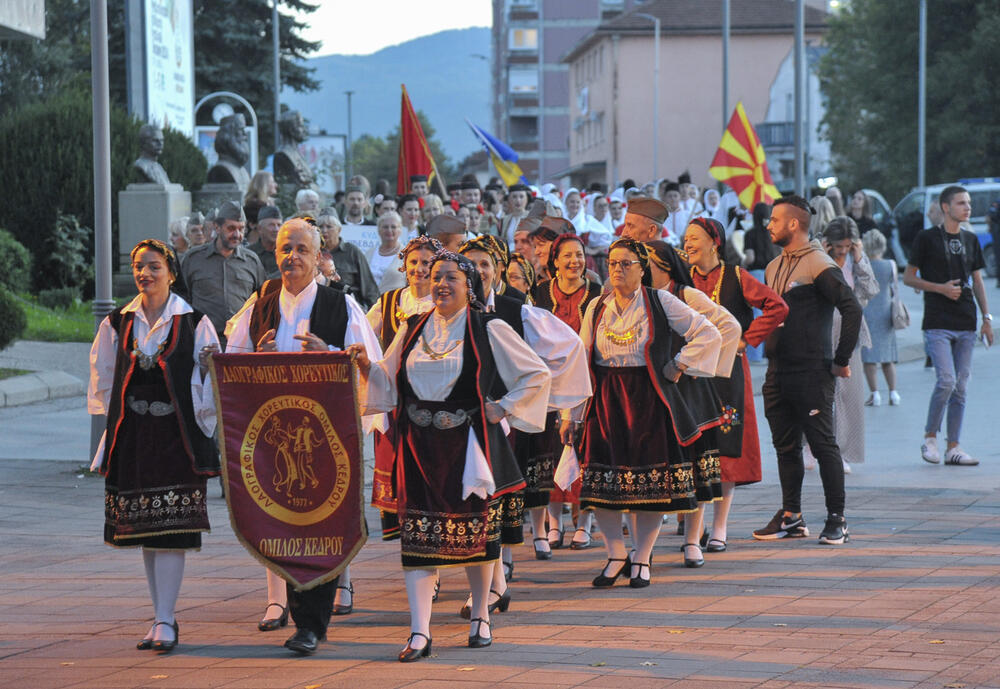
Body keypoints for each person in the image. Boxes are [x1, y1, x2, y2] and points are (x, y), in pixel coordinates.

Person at [353, 251, 552, 660]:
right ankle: (419, 631)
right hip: (418, 447)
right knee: (419, 538)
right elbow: (387, 381)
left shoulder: (488, 327)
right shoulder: (411, 327)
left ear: (469, 287)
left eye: (451, 278)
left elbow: (537, 374)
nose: (440, 282)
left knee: (474, 534)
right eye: (436, 275)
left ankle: (481, 614)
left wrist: (503, 406)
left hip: (469, 448)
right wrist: (363, 366)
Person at [225, 218, 383, 655]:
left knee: (324, 520)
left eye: (300, 249)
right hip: (274, 438)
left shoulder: (340, 306)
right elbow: (231, 359)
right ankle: (289, 608)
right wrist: (257, 357)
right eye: (283, 248)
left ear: (318, 257)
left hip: (324, 439)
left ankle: (311, 622)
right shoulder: (261, 304)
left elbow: (371, 366)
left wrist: (330, 356)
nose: (291, 256)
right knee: (280, 516)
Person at [88, 239, 220, 654]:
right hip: (134, 437)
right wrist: (108, 437)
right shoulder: (117, 322)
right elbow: (104, 380)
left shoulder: (195, 322)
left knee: (172, 530)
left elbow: (209, 384)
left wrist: (207, 376)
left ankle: (165, 618)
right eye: (138, 266)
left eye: (153, 266)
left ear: (172, 272)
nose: (144, 273)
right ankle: (161, 614)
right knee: (147, 529)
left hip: (175, 437)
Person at [574, 238, 725, 588]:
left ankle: (641, 557)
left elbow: (707, 332)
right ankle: (615, 554)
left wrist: (679, 364)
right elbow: (581, 357)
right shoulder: (596, 306)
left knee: (650, 487)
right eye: (612, 263)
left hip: (648, 399)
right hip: (606, 399)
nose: (617, 270)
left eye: (626, 263)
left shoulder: (660, 300)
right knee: (601, 485)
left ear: (642, 269)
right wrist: (573, 412)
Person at [753, 196, 862, 545]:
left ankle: (837, 519)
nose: (768, 225)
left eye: (774, 220)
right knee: (785, 447)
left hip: (812, 370)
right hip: (778, 370)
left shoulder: (819, 263)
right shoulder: (773, 267)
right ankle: (791, 516)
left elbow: (852, 309)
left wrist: (841, 360)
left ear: (793, 224)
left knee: (823, 443)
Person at [680, 217, 788, 553]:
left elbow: (777, 306)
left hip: (728, 371)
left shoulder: (736, 276)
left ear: (714, 241)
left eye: (694, 237)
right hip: (693, 373)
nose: (687, 244)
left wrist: (746, 340)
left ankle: (720, 526)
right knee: (696, 446)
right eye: (685, 238)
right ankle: (692, 526)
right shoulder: (683, 280)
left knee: (726, 446)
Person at [903, 185, 994, 466]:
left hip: (966, 320)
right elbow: (908, 277)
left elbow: (977, 280)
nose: (967, 208)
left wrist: (986, 318)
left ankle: (953, 446)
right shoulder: (926, 238)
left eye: (968, 203)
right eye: (961, 203)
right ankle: (930, 437)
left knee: (961, 386)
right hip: (937, 320)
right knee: (946, 380)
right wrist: (939, 288)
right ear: (945, 207)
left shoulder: (970, 239)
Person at [531, 233, 603, 549]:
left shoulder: (598, 294)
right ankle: (553, 522)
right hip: (549, 385)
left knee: (585, 450)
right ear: (555, 260)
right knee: (549, 450)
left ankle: (584, 523)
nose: (574, 261)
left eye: (579, 255)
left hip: (586, 382)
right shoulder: (538, 295)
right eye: (567, 256)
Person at [821, 217, 879, 472]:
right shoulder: (819, 258)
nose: (842, 250)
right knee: (817, 392)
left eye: (847, 246)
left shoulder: (856, 262)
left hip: (849, 329)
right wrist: (821, 257)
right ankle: (812, 446)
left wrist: (859, 259)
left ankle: (842, 452)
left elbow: (870, 290)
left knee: (849, 394)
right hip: (820, 329)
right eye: (839, 246)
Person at [180, 201, 266, 343]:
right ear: (217, 227)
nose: (237, 234)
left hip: (242, 342)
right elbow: (181, 299)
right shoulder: (193, 259)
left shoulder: (251, 261)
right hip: (203, 340)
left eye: (241, 229)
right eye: (231, 228)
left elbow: (263, 301)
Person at [861, 229, 900, 406]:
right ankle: (893, 392)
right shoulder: (890, 265)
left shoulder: (863, 264)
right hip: (886, 313)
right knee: (887, 357)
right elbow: (894, 288)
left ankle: (875, 393)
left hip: (867, 313)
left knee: (869, 357)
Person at [317, 207, 379, 309]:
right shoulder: (313, 253)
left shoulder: (352, 252)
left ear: (339, 230)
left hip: (348, 309)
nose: (324, 231)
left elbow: (370, 289)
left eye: (329, 227)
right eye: (320, 227)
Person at [365, 211, 406, 294]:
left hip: (395, 303)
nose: (389, 230)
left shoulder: (407, 255)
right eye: (385, 227)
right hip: (370, 304)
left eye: (393, 227)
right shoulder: (369, 253)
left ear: (400, 230)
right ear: (379, 230)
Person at [248, 205, 283, 279]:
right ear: (260, 229)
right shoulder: (249, 254)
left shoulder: (287, 253)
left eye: (279, 225)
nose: (276, 229)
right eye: (271, 225)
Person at [244, 170, 278, 240]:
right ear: (264, 185)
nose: (275, 185)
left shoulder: (269, 203)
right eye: (272, 182)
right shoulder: (254, 207)